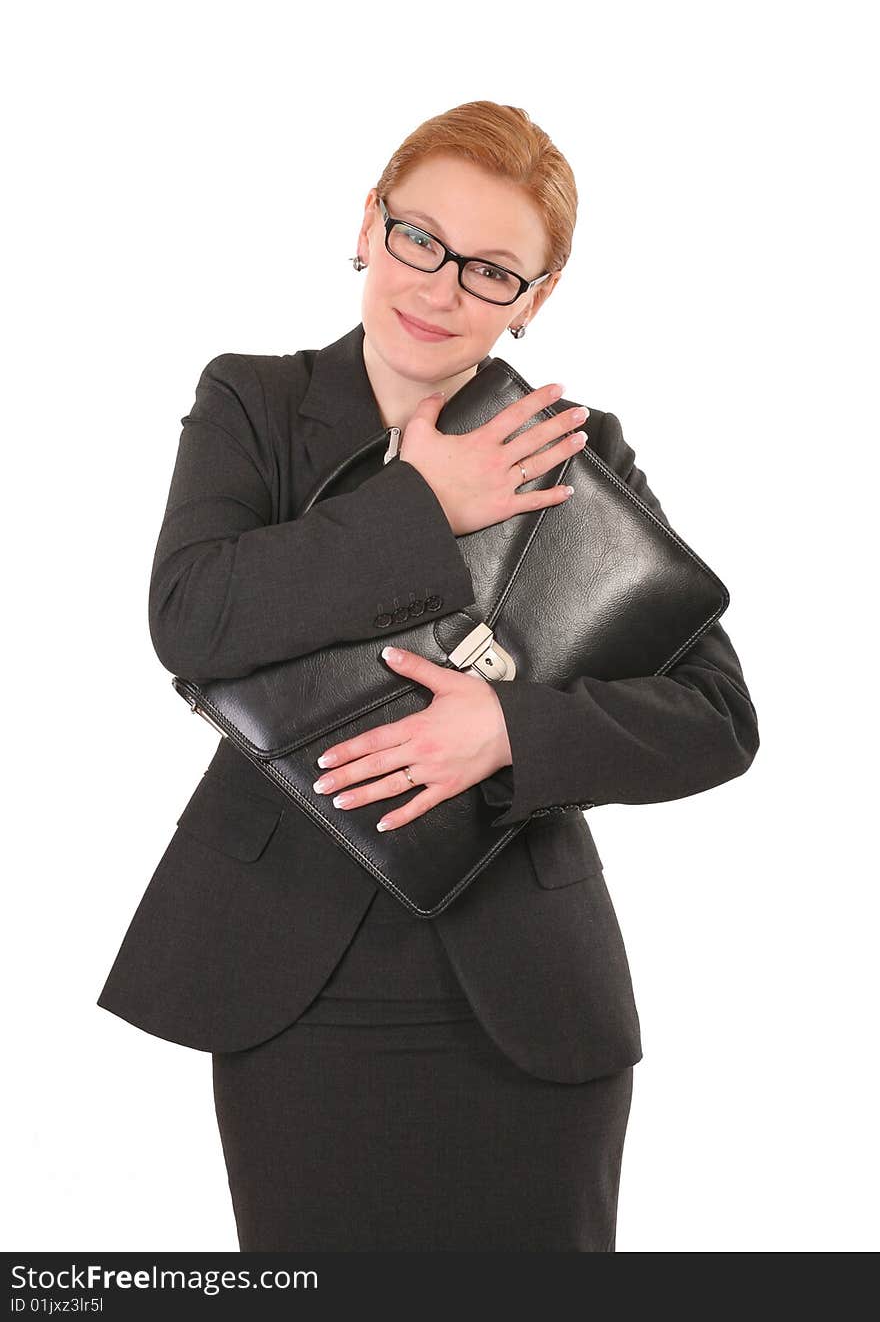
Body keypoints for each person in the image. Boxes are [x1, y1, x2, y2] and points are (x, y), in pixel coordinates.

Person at [97, 100, 760, 1252]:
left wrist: (510, 730)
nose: (440, 287)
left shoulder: (572, 445)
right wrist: (423, 506)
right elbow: (192, 616)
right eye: (419, 238)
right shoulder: (255, 403)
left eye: (492, 270)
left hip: (526, 995)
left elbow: (716, 717)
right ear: (369, 222)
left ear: (535, 299)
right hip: (292, 976)